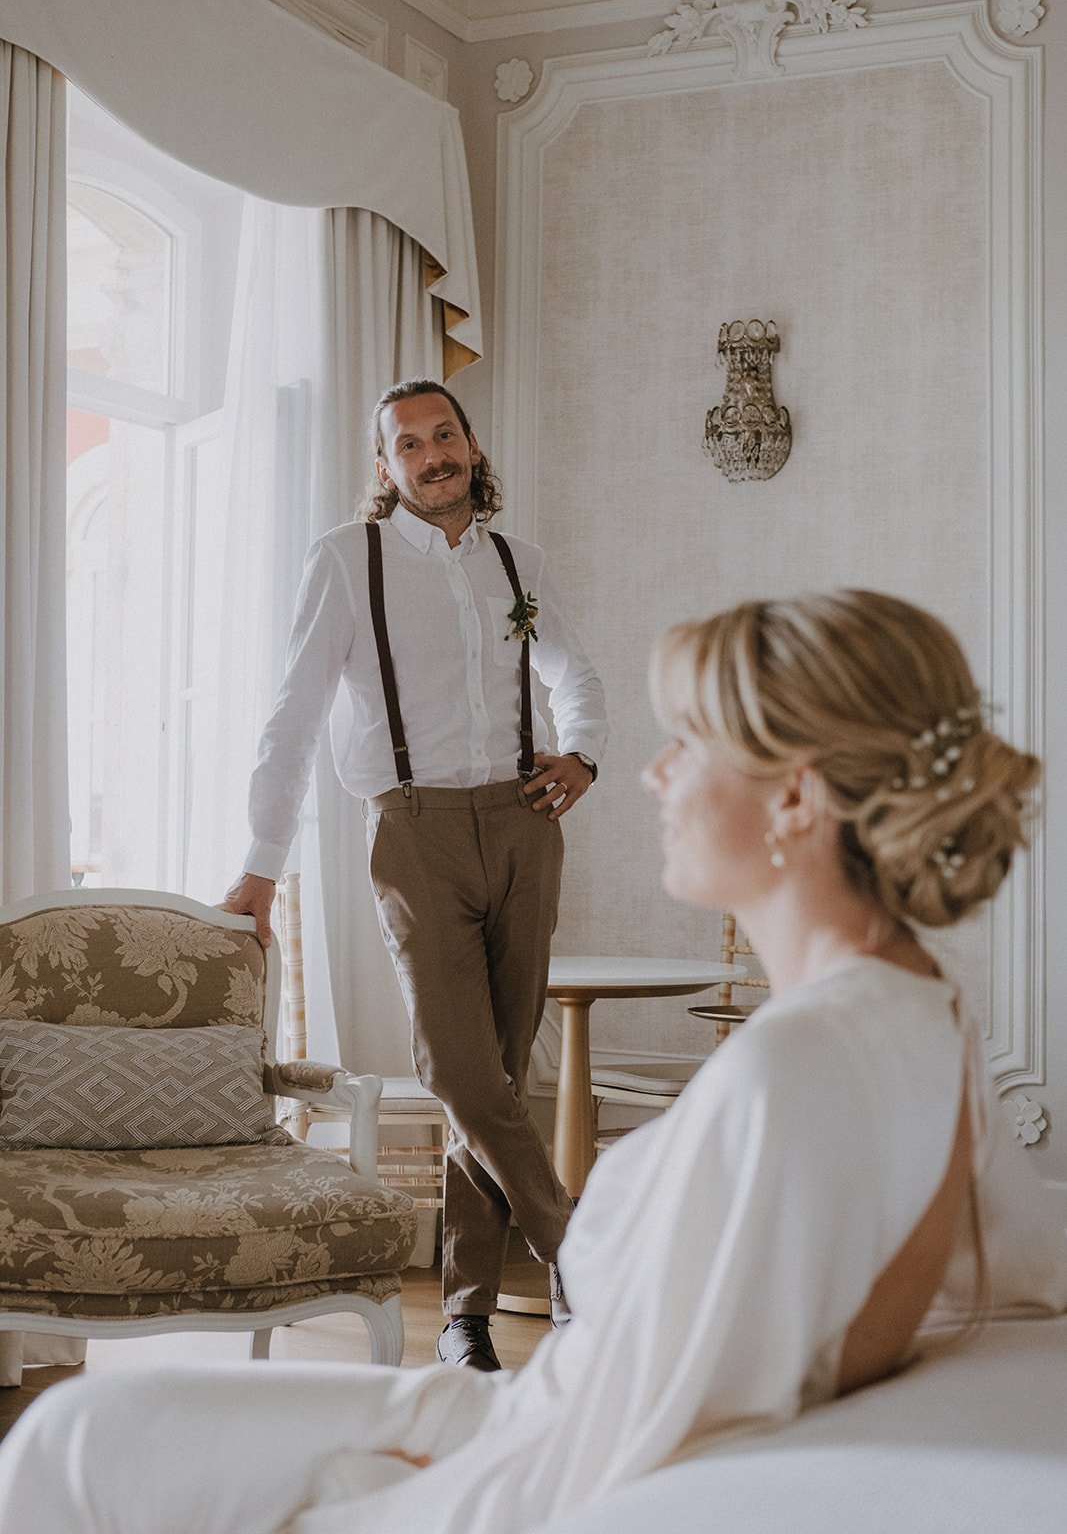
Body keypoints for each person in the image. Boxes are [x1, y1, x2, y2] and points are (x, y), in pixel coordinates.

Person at [2, 588, 1065, 1534]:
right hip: (535, 1404)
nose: (649, 774)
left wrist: (393, 1493)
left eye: (685, 742)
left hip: (532, 1434)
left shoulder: (790, 1067)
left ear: (793, 798)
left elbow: (634, 1431)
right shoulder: (922, 1008)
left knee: (79, 1439)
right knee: (99, 1425)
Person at [220, 377, 608, 1370]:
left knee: (502, 1082)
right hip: (413, 829)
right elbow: (292, 720)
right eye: (408, 443)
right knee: (462, 1071)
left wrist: (583, 752)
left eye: (445, 434)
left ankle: (466, 1315)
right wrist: (260, 869)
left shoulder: (517, 565)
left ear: (472, 447)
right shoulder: (347, 562)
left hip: (524, 823)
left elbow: (571, 670)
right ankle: (590, 1263)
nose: (432, 453)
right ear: (385, 470)